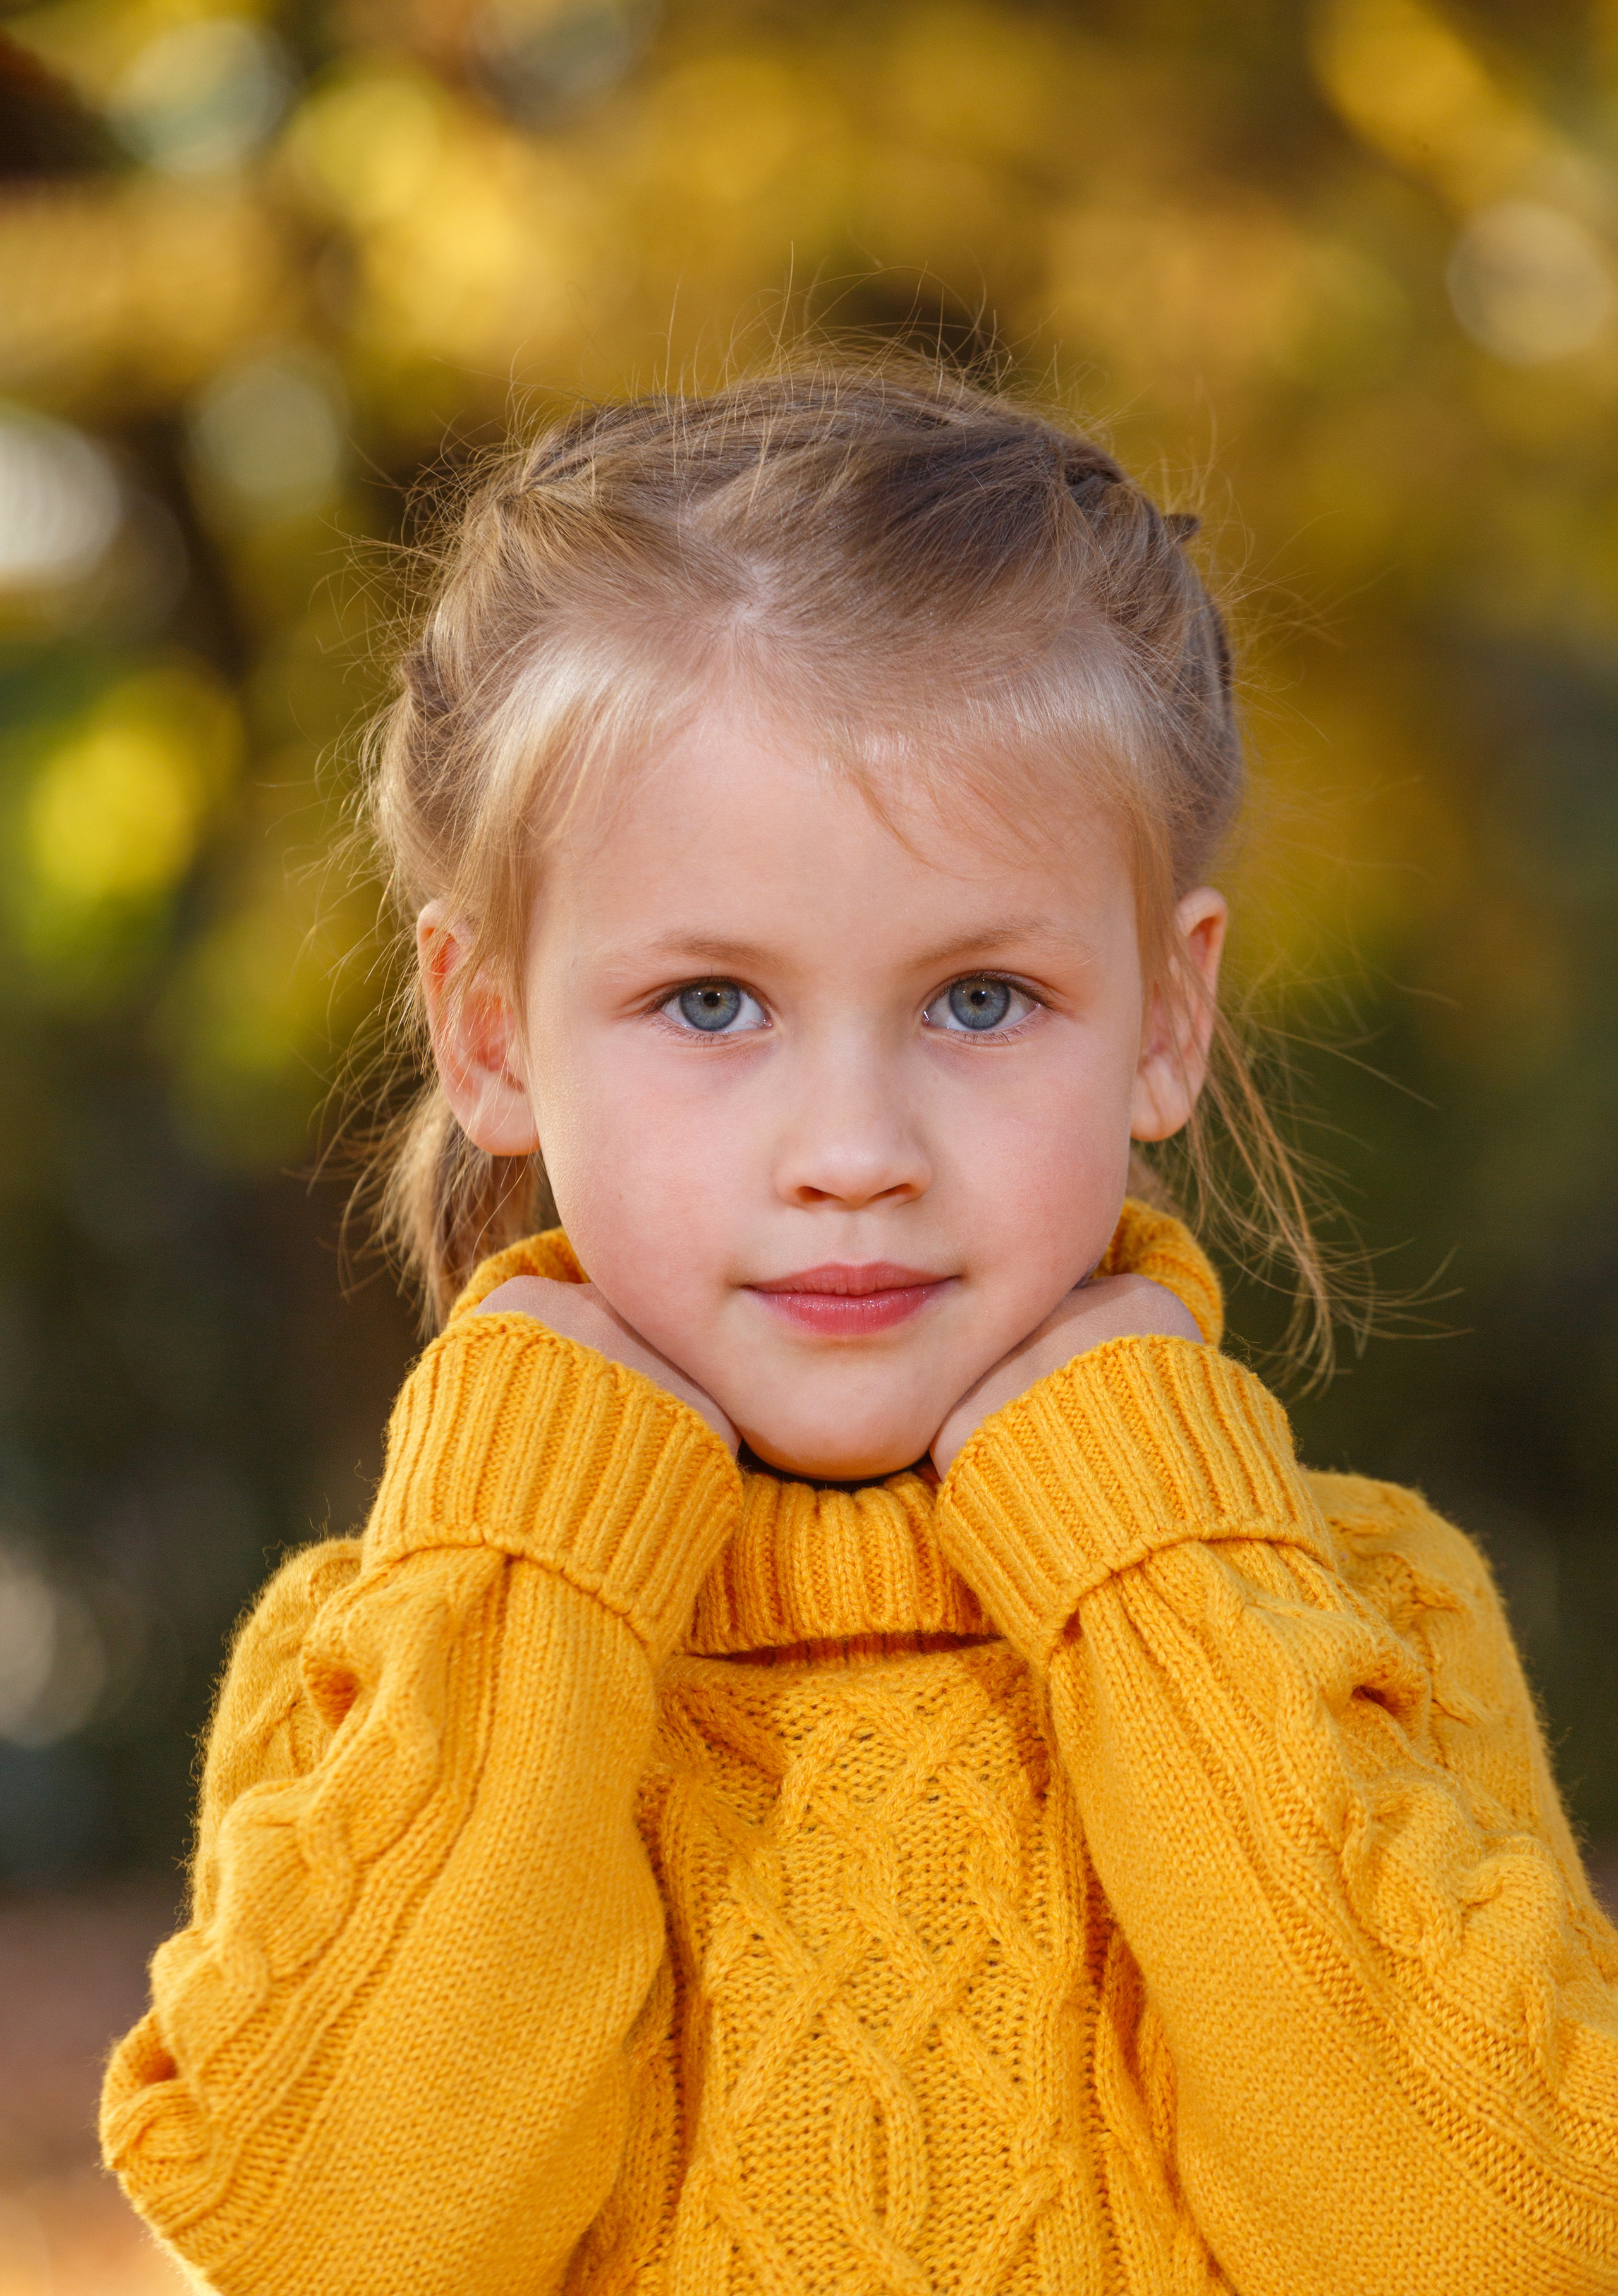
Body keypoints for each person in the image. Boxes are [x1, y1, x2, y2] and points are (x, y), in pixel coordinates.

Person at [100, 363, 1618, 2295]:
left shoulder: (1362, 1619)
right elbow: (328, 2241)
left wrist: (1148, 1548)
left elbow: (1517, 2240)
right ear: (490, 1029)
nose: (852, 1153)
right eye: (713, 1005)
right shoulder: (399, 1657)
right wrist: (545, 1545)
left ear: (1167, 1012)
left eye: (980, 1001)